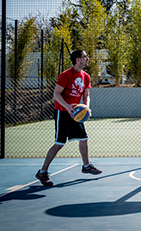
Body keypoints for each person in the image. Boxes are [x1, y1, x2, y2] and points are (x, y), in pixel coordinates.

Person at [35, 50, 102, 187]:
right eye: (85, 57)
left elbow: (86, 95)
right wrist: (67, 107)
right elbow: (56, 93)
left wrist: (86, 108)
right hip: (63, 112)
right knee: (59, 143)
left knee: (83, 139)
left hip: (77, 112)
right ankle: (43, 171)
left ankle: (86, 166)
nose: (87, 59)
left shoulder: (86, 76)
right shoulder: (66, 75)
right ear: (78, 59)